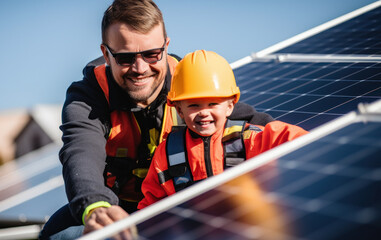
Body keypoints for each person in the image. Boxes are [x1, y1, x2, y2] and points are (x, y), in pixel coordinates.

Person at [39, 0, 274, 239]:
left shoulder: (189, 82)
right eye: (125, 58)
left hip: (179, 208)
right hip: (117, 207)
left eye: (152, 54)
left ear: (166, 46)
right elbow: (81, 153)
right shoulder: (89, 96)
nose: (140, 68)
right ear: (106, 55)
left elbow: (259, 125)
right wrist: (97, 207)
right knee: (58, 234)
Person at [138, 50, 308, 209]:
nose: (204, 112)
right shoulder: (166, 153)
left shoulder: (249, 138)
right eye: (194, 105)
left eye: (213, 104)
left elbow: (291, 137)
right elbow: (151, 205)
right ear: (179, 110)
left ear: (230, 106)